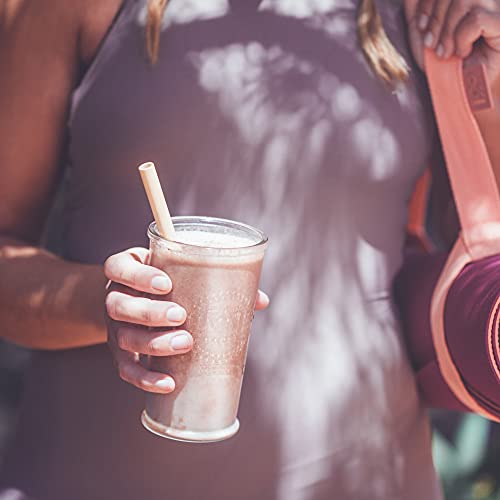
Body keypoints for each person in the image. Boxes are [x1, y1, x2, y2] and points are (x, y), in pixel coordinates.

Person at [1, 0, 499, 498]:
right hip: (94, 477)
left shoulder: (426, 10)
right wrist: (104, 302)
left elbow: (485, 243)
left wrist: (494, 83)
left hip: (365, 474)